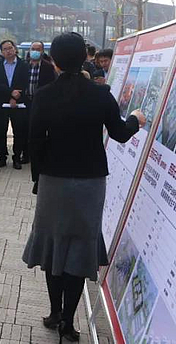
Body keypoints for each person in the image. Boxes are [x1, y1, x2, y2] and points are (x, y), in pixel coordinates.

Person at [22, 32, 144, 342]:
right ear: (84, 58)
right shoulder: (100, 94)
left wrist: (39, 178)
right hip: (90, 183)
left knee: (53, 246)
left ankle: (54, 312)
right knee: (79, 247)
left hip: (53, 181)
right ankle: (68, 321)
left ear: (54, 60)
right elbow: (120, 133)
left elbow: (34, 141)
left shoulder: (45, 95)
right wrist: (135, 119)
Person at [0, 40, 30, 169]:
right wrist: (10, 93)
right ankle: (2, 157)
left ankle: (17, 157)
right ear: (1, 52)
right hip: (1, 102)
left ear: (15, 49)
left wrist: (15, 97)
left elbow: (25, 83)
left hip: (19, 103)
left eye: (10, 48)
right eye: (5, 49)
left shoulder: (24, 65)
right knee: (1, 130)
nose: (8, 51)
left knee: (19, 131)